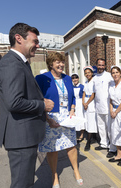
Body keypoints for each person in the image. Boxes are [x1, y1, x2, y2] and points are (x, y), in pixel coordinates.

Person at [0, 23, 54, 188]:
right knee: (22, 183)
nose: (38, 45)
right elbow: (14, 102)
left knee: (25, 182)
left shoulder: (20, 63)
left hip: (23, 136)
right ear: (18, 38)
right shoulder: (12, 64)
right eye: (34, 41)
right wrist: (42, 105)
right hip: (20, 138)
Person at [35, 52, 83, 187]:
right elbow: (38, 99)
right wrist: (48, 119)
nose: (61, 64)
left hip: (67, 117)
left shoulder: (67, 79)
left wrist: (72, 109)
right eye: (57, 62)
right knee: (53, 148)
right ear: (51, 64)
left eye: (62, 62)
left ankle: (76, 171)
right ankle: (54, 175)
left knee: (72, 146)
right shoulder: (41, 78)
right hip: (50, 117)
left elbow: (73, 97)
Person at [93, 58, 116, 158]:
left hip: (107, 107)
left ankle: (113, 148)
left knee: (110, 129)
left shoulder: (109, 76)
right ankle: (103, 144)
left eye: (103, 65)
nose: (101, 67)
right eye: (99, 65)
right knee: (101, 127)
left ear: (105, 66)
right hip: (98, 107)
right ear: (96, 65)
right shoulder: (94, 77)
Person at [82, 66, 97, 151]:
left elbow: (93, 94)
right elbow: (84, 92)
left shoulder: (94, 81)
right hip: (86, 103)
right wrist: (83, 102)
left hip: (91, 103)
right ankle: (93, 137)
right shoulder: (86, 82)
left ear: (92, 73)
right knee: (87, 121)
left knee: (91, 122)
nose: (87, 74)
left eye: (89, 72)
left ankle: (88, 142)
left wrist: (87, 103)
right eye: (86, 73)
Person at [71, 73, 85, 142]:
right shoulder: (71, 87)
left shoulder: (82, 87)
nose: (75, 79)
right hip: (74, 104)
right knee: (74, 118)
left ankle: (82, 134)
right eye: (73, 78)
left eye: (76, 78)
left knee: (81, 118)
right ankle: (76, 134)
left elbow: (84, 96)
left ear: (78, 79)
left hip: (80, 103)